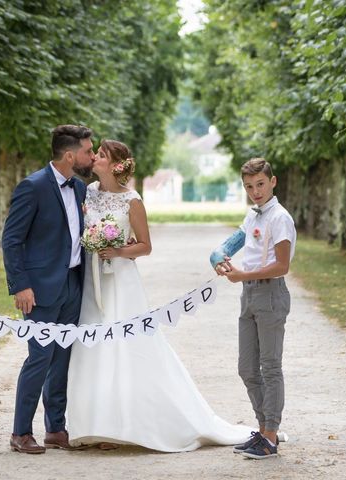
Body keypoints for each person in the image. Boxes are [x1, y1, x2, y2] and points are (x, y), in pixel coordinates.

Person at [66, 139, 253, 452]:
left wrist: (117, 250)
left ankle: (119, 428)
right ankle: (93, 426)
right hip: (91, 280)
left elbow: (145, 245)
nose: (94, 157)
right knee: (93, 347)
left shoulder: (133, 200)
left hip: (121, 282)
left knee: (124, 347)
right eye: (95, 153)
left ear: (116, 165)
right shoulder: (88, 192)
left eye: (101, 154)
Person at [2, 125, 95, 454]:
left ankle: (56, 428)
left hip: (72, 283)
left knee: (62, 358)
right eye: (88, 150)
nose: (92, 156)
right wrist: (20, 285)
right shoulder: (33, 187)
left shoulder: (81, 188)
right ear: (70, 155)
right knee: (39, 358)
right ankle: (20, 432)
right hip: (38, 290)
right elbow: (11, 240)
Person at [214, 157, 296, 459]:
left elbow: (282, 265)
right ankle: (263, 429)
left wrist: (242, 275)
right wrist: (223, 262)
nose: (255, 191)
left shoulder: (279, 218)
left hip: (270, 295)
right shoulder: (253, 216)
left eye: (260, 184)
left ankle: (271, 436)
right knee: (247, 367)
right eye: (249, 186)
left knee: (270, 367)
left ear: (272, 182)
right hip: (249, 295)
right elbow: (238, 246)